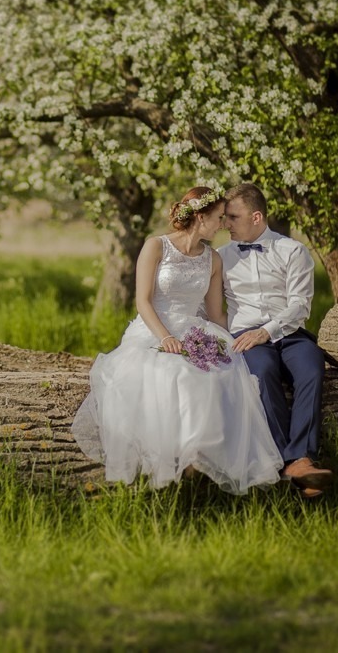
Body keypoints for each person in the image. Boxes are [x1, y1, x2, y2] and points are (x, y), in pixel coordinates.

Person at [71, 187, 283, 494]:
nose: (223, 224)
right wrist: (166, 337)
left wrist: (247, 336)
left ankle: (198, 459)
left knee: (222, 374)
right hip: (153, 329)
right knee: (173, 375)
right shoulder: (156, 246)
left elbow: (215, 314)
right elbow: (142, 301)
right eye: (219, 217)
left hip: (195, 330)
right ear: (200, 217)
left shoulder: (212, 259)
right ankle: (174, 460)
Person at [218, 183, 334, 499]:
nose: (226, 224)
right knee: (262, 372)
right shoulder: (220, 258)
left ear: (257, 217)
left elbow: (300, 305)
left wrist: (268, 331)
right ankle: (292, 461)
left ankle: (301, 458)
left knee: (311, 368)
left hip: (290, 333)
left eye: (233, 217)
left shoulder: (293, 251)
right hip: (246, 337)